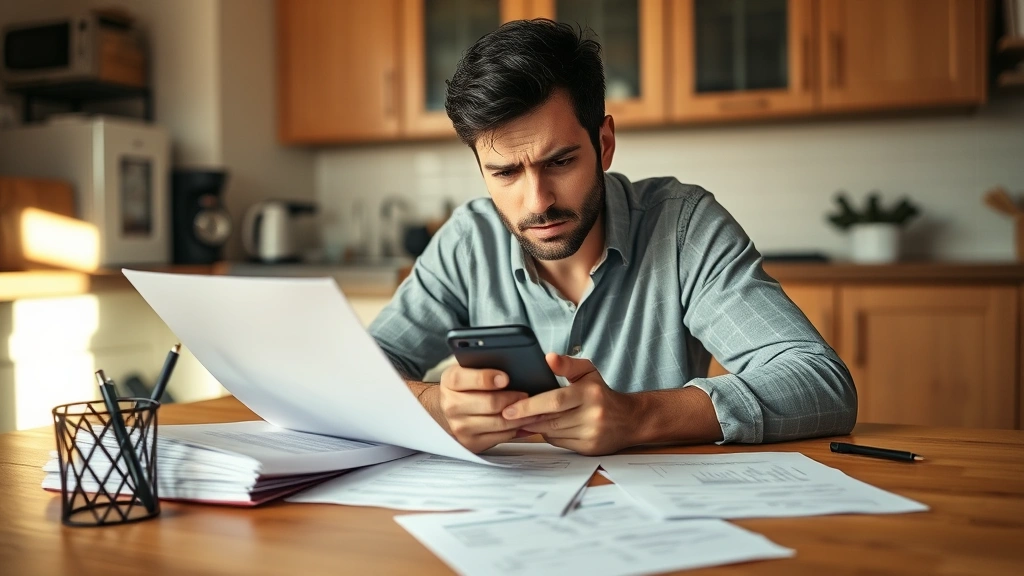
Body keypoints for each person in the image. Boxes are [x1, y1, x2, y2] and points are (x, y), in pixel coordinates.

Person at [370, 19, 856, 456]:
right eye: (505, 173)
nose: (537, 201)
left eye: (560, 161)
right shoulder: (467, 241)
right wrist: (438, 406)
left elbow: (821, 383)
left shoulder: (683, 227)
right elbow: (357, 374)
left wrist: (638, 416)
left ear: (604, 144)